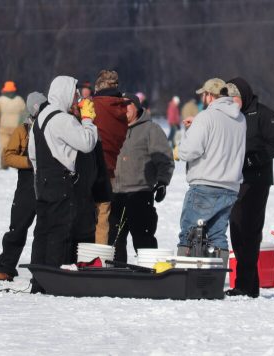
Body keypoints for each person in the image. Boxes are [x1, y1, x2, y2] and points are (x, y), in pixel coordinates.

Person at [28, 76, 99, 293]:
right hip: (61, 181)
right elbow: (87, 143)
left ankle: (39, 278)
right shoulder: (63, 119)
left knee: (42, 231)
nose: (76, 97)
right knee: (61, 230)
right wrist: (87, 120)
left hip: (42, 180)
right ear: (66, 92)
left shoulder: (40, 118)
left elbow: (32, 154)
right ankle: (55, 280)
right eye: (74, 93)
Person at [225, 77, 274, 298]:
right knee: (236, 230)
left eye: (234, 98)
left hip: (257, 181)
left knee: (250, 231)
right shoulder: (231, 116)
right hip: (235, 180)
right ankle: (249, 286)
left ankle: (244, 284)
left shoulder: (264, 114)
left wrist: (254, 159)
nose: (231, 102)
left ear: (244, 96)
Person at [176, 78, 246, 258]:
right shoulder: (240, 118)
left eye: (204, 95)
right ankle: (215, 281)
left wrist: (190, 131)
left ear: (209, 96)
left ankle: (186, 278)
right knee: (217, 236)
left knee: (188, 235)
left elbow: (188, 152)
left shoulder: (206, 117)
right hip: (230, 187)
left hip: (204, 185)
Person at [0, 92, 48, 282]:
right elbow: (8, 156)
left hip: (49, 182)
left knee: (46, 229)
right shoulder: (22, 130)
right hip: (27, 184)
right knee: (18, 227)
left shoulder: (52, 128)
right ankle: (5, 267)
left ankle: (44, 269)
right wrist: (29, 163)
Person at [109, 94, 173, 262]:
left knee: (143, 239)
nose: (124, 109)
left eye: (127, 105)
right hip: (116, 194)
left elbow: (165, 160)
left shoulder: (151, 129)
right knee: (114, 241)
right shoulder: (113, 129)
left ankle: (150, 276)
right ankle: (116, 274)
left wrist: (162, 182)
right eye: (120, 106)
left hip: (140, 193)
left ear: (136, 107)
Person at [90, 70, 129, 245]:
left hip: (91, 167)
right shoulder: (122, 109)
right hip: (110, 169)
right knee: (103, 217)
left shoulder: (93, 106)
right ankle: (99, 256)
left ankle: (82, 257)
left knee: (86, 215)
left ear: (99, 86)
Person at [0, 81, 27, 169]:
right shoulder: (19, 100)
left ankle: (4, 164)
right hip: (17, 128)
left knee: (4, 147)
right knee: (17, 146)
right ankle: (17, 164)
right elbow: (25, 113)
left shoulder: (0, 100)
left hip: (4, 128)